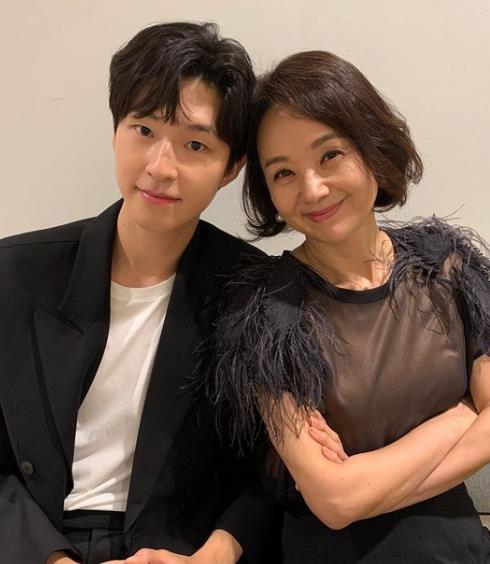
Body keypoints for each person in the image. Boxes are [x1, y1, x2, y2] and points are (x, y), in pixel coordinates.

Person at [0, 22, 278, 564]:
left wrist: (213, 557)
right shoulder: (15, 274)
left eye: (194, 144)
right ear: (115, 131)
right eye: (144, 130)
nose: (159, 167)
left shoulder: (252, 292)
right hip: (34, 540)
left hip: (180, 550)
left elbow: (266, 471)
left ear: (231, 168)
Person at [203, 50, 490, 563]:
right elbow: (335, 501)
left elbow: (352, 492)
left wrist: (364, 479)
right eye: (284, 173)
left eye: (330, 155)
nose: (313, 189)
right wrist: (462, 416)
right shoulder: (267, 311)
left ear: (371, 145)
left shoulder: (447, 268)